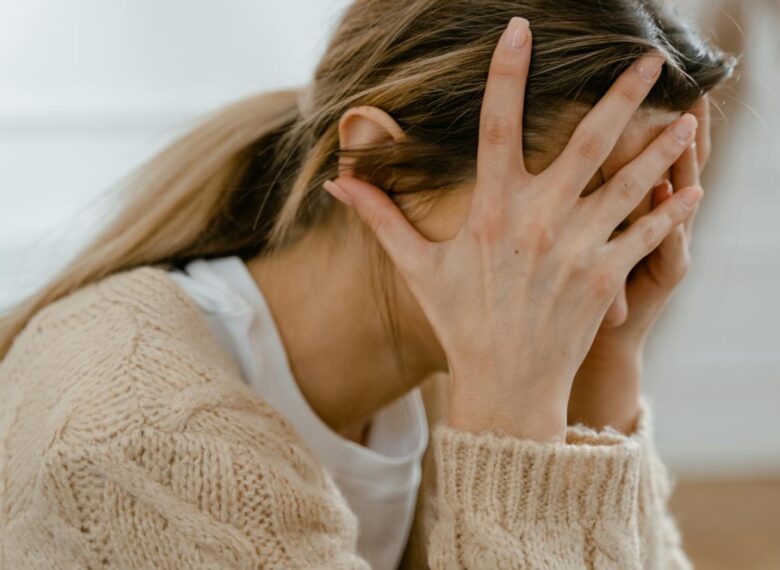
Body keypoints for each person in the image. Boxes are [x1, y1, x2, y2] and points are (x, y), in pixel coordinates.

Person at [0, 1, 734, 567]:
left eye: (636, 219)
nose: (599, 276)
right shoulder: (144, 445)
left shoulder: (442, 381)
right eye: (576, 210)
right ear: (382, 165)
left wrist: (605, 366)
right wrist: (513, 431)